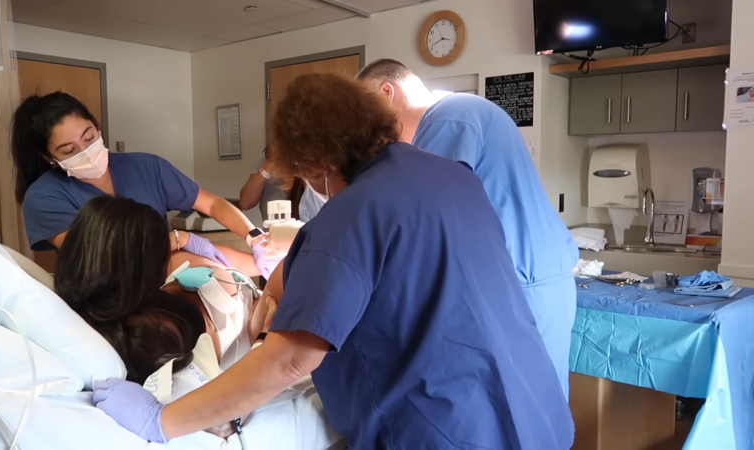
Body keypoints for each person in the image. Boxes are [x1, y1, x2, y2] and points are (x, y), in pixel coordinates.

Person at [91, 73, 574, 449]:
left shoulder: (349, 218)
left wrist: (163, 420)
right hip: (535, 412)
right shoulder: (451, 177)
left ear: (310, 162)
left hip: (447, 430)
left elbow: (288, 362)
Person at [356, 59, 579, 398]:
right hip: (539, 277)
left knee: (522, 408)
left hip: (521, 282)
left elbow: (420, 214)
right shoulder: (467, 111)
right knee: (541, 407)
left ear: (387, 92)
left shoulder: (448, 118)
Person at [56, 196, 341, 449]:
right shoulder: (150, 337)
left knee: (288, 270)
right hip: (245, 326)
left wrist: (189, 242)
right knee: (291, 271)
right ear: (142, 269)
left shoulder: (138, 302)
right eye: (162, 254)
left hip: (234, 298)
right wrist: (263, 339)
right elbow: (222, 402)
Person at [11, 92, 279, 278]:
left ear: (96, 125)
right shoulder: (44, 196)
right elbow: (103, 255)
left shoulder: (146, 167)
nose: (86, 150)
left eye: (89, 137)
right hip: (108, 296)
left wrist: (255, 240)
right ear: (49, 158)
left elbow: (211, 203)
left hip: (170, 267)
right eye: (69, 150)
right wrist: (182, 240)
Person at [239, 146, 289, 221]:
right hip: (271, 230)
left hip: (305, 230)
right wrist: (268, 165)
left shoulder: (309, 162)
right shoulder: (265, 159)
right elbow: (245, 203)